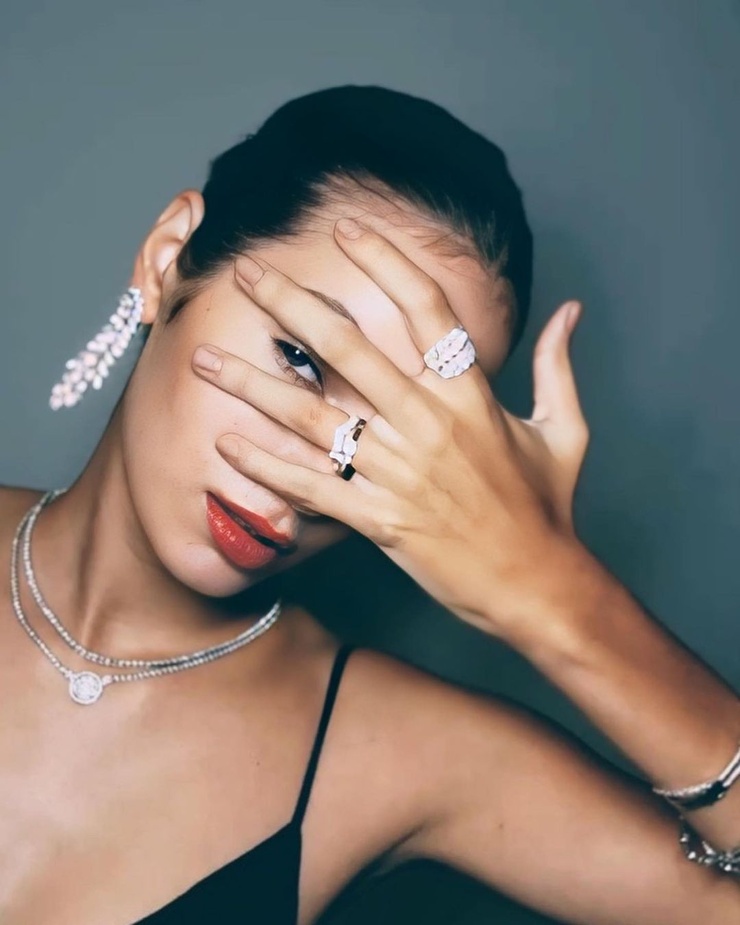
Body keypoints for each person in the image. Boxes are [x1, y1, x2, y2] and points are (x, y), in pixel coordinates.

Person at [1, 84, 738, 925]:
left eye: (394, 433)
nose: (317, 461)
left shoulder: (396, 750)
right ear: (168, 261)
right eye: (300, 358)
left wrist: (555, 598)